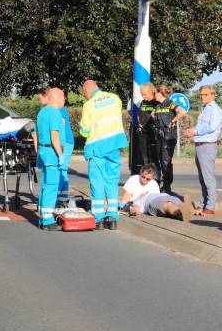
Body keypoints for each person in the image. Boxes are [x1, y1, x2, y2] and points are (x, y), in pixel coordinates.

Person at [79, 80, 128, 230]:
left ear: (87, 90)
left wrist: (85, 131)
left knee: (97, 182)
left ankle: (99, 218)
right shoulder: (115, 98)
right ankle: (112, 216)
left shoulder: (89, 104)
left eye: (84, 92)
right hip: (114, 146)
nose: (85, 95)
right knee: (112, 181)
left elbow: (84, 130)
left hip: (97, 148)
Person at [184, 85, 222, 216]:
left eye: (205, 95)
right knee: (202, 178)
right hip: (200, 144)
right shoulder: (204, 108)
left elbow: (211, 127)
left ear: (213, 95)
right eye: (201, 95)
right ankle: (202, 204)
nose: (202, 97)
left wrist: (194, 131)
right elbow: (202, 126)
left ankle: (210, 206)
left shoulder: (216, 110)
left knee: (208, 177)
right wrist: (193, 132)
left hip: (208, 145)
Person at [35, 87, 65, 230]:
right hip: (52, 153)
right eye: (63, 96)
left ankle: (42, 216)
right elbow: (54, 135)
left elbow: (37, 135)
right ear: (57, 97)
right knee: (52, 186)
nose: (64, 99)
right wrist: (60, 155)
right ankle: (47, 220)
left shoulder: (42, 112)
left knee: (45, 186)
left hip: (43, 151)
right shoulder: (54, 112)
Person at [121, 164, 190, 222]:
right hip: (148, 201)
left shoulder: (154, 183)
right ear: (140, 173)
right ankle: (180, 213)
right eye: (143, 177)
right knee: (167, 204)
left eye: (148, 179)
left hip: (162, 195)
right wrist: (133, 208)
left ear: (152, 178)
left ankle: (188, 210)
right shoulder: (134, 179)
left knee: (174, 201)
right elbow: (127, 200)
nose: (144, 180)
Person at [151, 84, 186, 194]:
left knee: (166, 162)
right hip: (159, 136)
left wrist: (173, 120)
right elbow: (153, 115)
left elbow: (182, 112)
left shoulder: (170, 103)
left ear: (159, 92)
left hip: (169, 137)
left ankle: (166, 187)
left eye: (154, 93)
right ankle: (157, 185)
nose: (153, 95)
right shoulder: (158, 106)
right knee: (158, 161)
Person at [51, 87, 75, 206]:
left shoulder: (58, 109)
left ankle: (57, 200)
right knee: (63, 171)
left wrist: (59, 147)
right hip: (67, 142)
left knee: (60, 171)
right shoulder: (61, 108)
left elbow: (59, 129)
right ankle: (63, 198)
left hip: (65, 142)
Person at [136, 82, 158, 169]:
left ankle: (155, 178)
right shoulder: (143, 102)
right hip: (143, 133)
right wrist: (139, 122)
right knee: (144, 157)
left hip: (153, 133)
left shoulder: (157, 103)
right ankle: (146, 174)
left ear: (151, 91)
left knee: (153, 157)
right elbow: (140, 114)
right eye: (142, 95)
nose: (143, 97)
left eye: (145, 94)